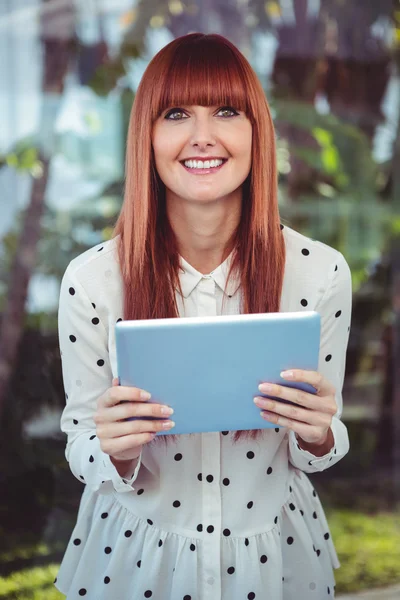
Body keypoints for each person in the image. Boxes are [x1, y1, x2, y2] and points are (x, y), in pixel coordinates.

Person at [55, 33, 351, 600]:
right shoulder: (92, 280)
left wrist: (317, 434)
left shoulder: (321, 274)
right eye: (175, 114)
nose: (202, 137)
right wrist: (114, 448)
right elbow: (79, 441)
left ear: (255, 132)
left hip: (275, 557)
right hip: (135, 558)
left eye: (225, 111)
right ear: (148, 136)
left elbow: (322, 441)